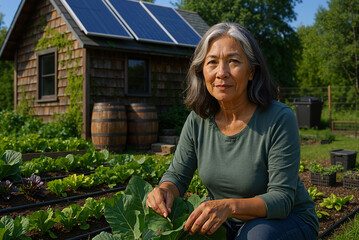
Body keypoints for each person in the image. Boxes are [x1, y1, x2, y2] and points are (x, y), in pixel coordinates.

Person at [146, 22, 319, 240]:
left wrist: (228, 206)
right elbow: (178, 176)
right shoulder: (198, 120)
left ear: (251, 72)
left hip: (284, 221)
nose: (221, 73)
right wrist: (165, 190)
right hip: (226, 221)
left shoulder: (279, 118)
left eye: (233, 62)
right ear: (202, 71)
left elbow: (282, 199)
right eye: (212, 62)